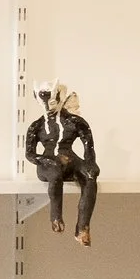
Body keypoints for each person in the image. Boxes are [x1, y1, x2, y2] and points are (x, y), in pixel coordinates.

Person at [23, 80, 98, 245]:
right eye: (44, 100)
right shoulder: (36, 126)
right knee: (55, 169)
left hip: (71, 161)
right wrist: (47, 160)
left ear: (60, 97)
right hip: (48, 164)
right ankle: (56, 216)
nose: (49, 104)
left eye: (53, 100)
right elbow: (29, 154)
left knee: (90, 176)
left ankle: (83, 227)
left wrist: (91, 163)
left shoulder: (75, 122)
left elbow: (88, 145)